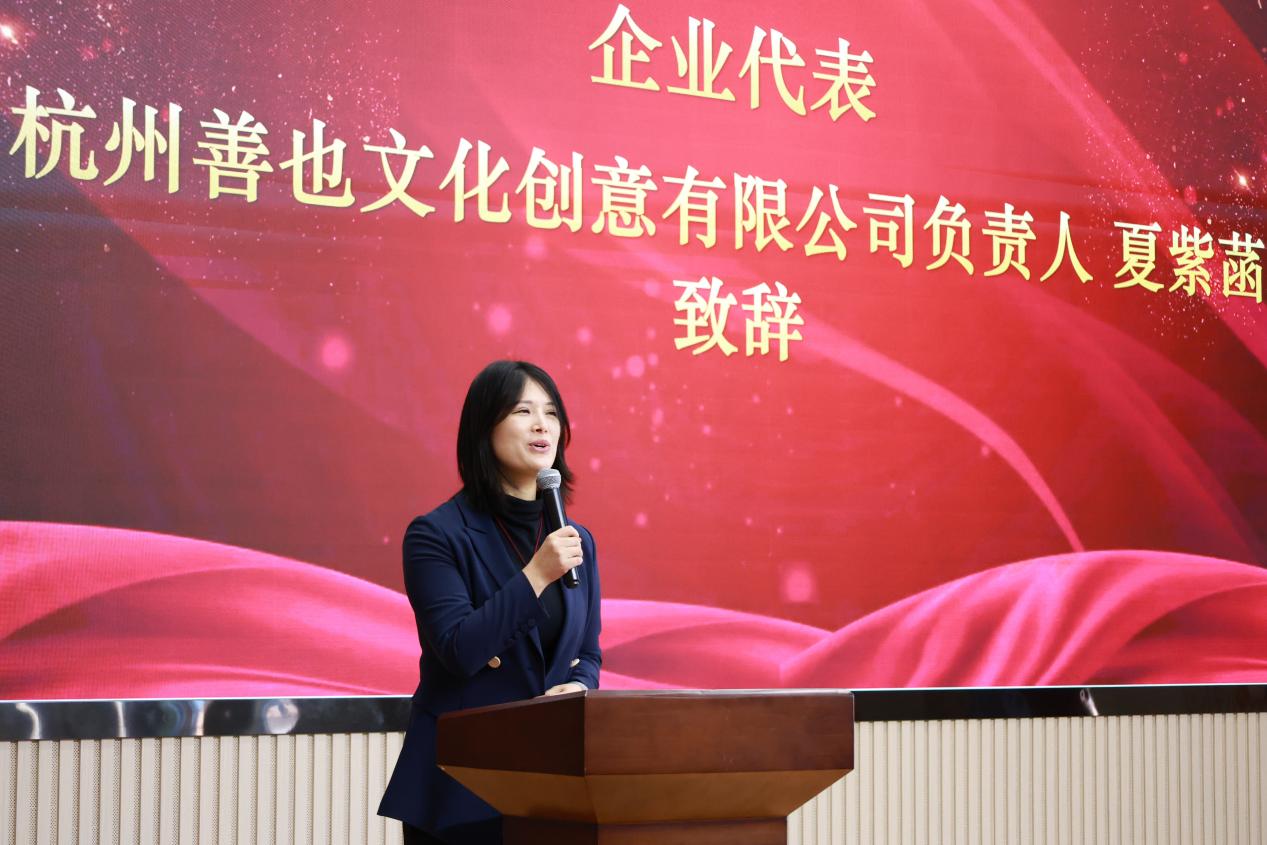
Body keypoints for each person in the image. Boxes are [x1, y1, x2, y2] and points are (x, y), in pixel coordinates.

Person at [378, 360, 602, 845]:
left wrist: (579, 686)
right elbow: (460, 650)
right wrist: (536, 575)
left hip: (551, 784)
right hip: (462, 784)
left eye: (551, 413)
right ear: (485, 428)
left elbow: (588, 651)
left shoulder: (575, 538)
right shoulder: (437, 535)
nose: (542, 425)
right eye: (523, 411)